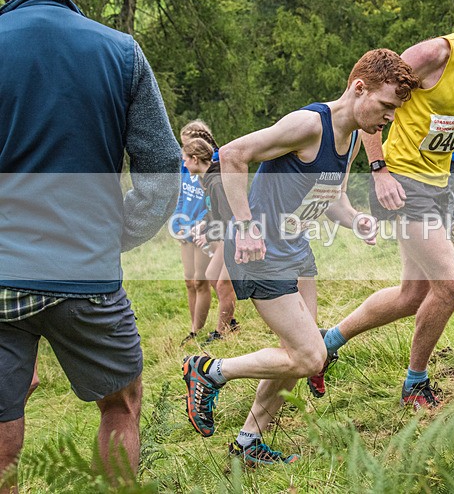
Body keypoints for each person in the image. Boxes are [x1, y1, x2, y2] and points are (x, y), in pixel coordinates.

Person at [181, 48, 419, 465]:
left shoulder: (351, 139)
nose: (389, 118)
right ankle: (208, 371)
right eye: (385, 106)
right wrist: (246, 224)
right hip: (262, 253)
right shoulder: (309, 124)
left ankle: (248, 443)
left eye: (394, 110)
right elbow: (233, 154)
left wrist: (355, 220)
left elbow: (331, 197)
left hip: (296, 251)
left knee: (294, 356)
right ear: (358, 88)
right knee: (311, 356)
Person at [0, 0, 181, 490]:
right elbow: (162, 173)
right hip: (87, 272)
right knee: (121, 401)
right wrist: (118, 233)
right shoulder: (120, 52)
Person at [307, 0, 454, 410]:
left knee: (413, 294)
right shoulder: (430, 57)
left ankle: (326, 342)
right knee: (451, 286)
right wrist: (379, 170)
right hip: (402, 185)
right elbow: (366, 104)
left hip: (439, 184)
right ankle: (415, 383)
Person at [180, 138, 238, 346]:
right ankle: (230, 324)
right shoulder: (207, 178)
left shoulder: (216, 182)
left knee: (223, 284)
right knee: (212, 275)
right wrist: (202, 224)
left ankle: (222, 332)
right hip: (224, 235)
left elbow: (230, 217)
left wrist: (208, 235)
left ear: (195, 159)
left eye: (186, 159)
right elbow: (213, 211)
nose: (184, 165)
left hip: (236, 235)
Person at [172, 121, 222, 346]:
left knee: (201, 280)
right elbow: (182, 193)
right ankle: (193, 328)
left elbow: (214, 204)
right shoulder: (187, 163)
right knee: (189, 280)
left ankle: (198, 330)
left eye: (186, 145)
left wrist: (202, 225)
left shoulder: (214, 164)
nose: (183, 151)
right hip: (186, 226)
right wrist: (178, 221)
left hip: (203, 229)